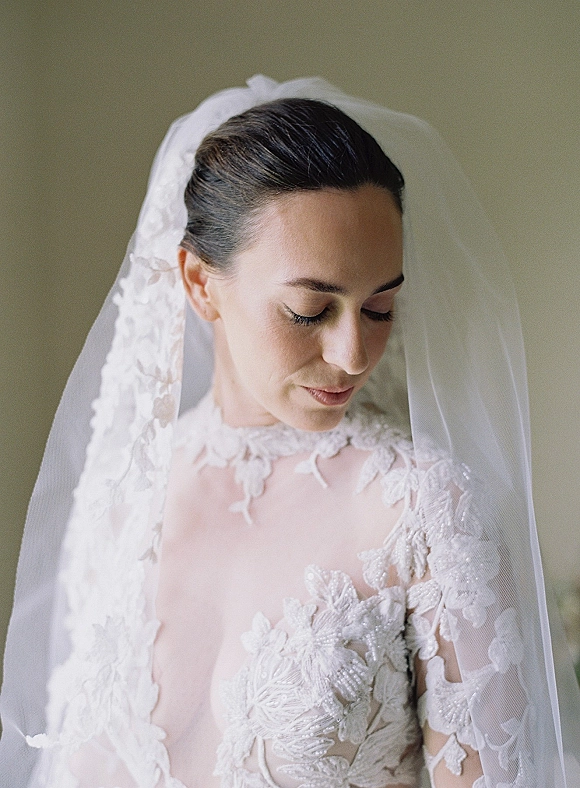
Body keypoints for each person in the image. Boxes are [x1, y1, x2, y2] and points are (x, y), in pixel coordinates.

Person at [0, 75, 579, 788]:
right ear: (199, 283)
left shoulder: (429, 511)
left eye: (379, 308)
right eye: (310, 310)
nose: (353, 355)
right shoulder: (130, 489)